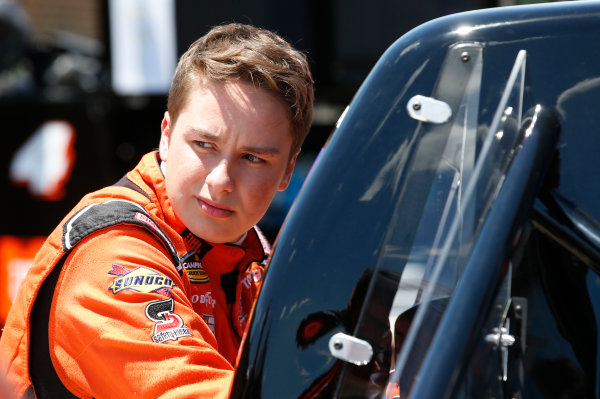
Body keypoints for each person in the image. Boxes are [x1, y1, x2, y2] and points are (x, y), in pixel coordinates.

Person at [0, 22, 314, 398]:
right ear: (166, 135)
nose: (221, 180)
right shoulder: (112, 254)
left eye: (253, 158)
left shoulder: (247, 251)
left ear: (288, 172)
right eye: (204, 144)